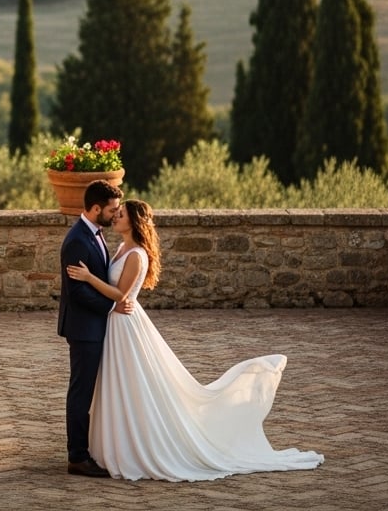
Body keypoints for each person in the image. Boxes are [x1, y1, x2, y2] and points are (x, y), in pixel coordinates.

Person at [66, 199, 325, 481]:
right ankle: (116, 444)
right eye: (116, 212)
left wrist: (89, 277)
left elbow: (122, 296)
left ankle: (141, 446)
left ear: (135, 222)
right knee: (119, 384)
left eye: (122, 214)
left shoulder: (137, 255)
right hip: (113, 323)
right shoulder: (119, 247)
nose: (116, 216)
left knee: (134, 384)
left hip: (125, 322)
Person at [57, 178, 127, 477]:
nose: (115, 214)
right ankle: (77, 457)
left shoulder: (95, 233)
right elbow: (77, 292)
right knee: (80, 393)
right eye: (112, 210)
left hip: (94, 326)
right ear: (96, 208)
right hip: (84, 329)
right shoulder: (76, 240)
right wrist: (111, 306)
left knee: (89, 391)